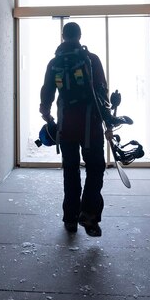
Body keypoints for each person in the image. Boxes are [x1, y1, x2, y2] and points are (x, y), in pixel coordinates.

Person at [39, 22, 113, 237]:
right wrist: (108, 122)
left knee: (71, 172)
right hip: (90, 127)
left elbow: (47, 93)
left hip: (66, 127)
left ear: (63, 36)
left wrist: (48, 115)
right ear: (80, 36)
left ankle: (70, 219)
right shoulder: (91, 60)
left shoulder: (54, 63)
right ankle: (89, 214)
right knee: (95, 168)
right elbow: (102, 92)